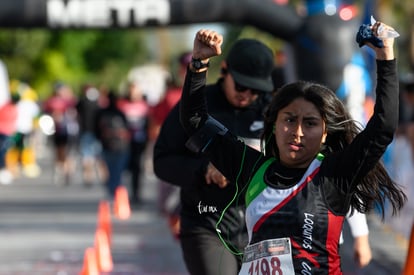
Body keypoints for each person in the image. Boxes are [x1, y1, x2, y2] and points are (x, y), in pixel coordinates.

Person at [179, 21, 406, 275]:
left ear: (324, 135)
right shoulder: (251, 168)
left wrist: (386, 57)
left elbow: (383, 128)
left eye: (310, 124)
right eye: (289, 120)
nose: (297, 132)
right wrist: (198, 64)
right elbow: (195, 121)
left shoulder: (332, 175)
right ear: (274, 124)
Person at [153, 39, 275, 274]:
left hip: (260, 227)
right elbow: (162, 163)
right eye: (241, 86)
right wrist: (204, 169)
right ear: (226, 70)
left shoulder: (273, 112)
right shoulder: (197, 106)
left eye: (256, 90)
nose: (247, 95)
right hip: (207, 222)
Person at [117, 81, 150, 204]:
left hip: (139, 141)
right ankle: (120, 194)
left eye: (136, 92)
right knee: (124, 168)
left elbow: (149, 123)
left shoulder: (145, 106)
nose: (133, 94)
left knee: (137, 168)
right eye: (131, 91)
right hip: (123, 142)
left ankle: (136, 193)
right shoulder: (121, 104)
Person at [94, 91, 131, 199]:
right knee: (116, 173)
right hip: (117, 147)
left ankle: (113, 193)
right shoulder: (119, 113)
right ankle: (114, 193)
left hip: (111, 147)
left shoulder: (103, 113)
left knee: (112, 172)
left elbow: (96, 130)